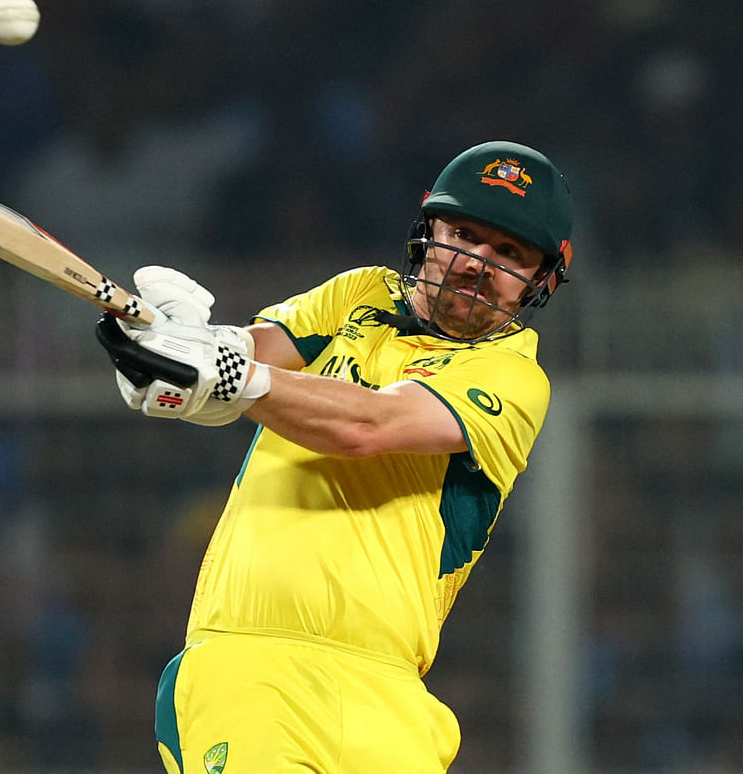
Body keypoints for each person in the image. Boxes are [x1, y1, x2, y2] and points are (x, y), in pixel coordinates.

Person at [95, 141, 574, 773]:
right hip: (252, 665)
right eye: (464, 233)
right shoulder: (357, 297)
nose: (477, 261)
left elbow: (368, 426)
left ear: (540, 280)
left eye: (508, 253)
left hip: (390, 695)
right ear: (428, 231)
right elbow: (247, 357)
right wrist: (172, 349)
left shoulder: (513, 376)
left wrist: (226, 372)